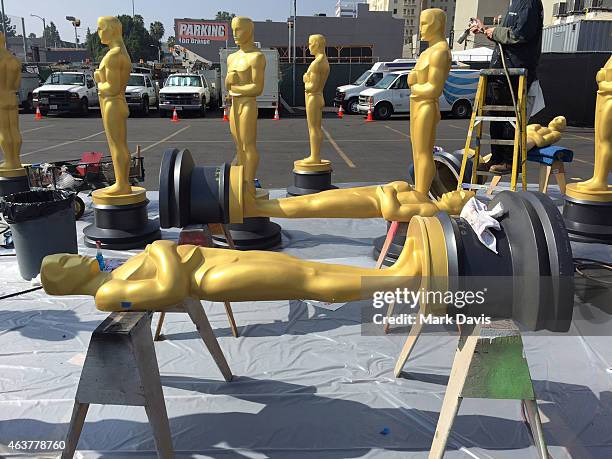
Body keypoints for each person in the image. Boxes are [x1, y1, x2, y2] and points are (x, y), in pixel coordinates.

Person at [471, 0, 544, 174]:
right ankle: (497, 158)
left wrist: (494, 31)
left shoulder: (528, 3)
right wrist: (485, 29)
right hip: (502, 70)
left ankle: (509, 161)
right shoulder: (516, 3)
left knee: (509, 117)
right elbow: (507, 34)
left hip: (513, 70)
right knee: (496, 116)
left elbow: (520, 34)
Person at [408, 8, 452, 195]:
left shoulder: (439, 52)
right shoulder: (428, 52)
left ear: (438, 24)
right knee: (417, 152)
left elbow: (434, 88)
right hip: (418, 104)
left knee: (423, 152)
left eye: (425, 23)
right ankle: (421, 190)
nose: (421, 27)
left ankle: (422, 193)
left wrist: (413, 85)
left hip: (425, 105)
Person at [226, 17, 265, 195]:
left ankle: (249, 182)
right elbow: (228, 84)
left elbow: (257, 87)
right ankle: (241, 179)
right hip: (235, 105)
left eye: (239, 29)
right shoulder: (231, 57)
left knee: (248, 145)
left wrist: (234, 87)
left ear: (249, 30)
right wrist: (229, 82)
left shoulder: (256, 57)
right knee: (238, 145)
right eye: (233, 29)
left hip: (247, 104)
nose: (235, 33)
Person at [94, 16, 134, 196]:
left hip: (112, 102)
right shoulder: (121, 54)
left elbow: (112, 87)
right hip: (115, 102)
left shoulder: (113, 56)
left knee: (117, 145)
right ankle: (121, 182)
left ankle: (122, 183)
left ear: (112, 30)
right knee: (118, 144)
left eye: (101, 28)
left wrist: (98, 81)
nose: (98, 32)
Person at [577, 55, 611, 192]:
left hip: (609, 100)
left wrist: (603, 82)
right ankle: (597, 176)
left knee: (605, 141)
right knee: (599, 142)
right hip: (604, 99)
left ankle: (600, 179)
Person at [302, 34, 330, 165]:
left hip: (313, 97)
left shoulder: (316, 64)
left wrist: (305, 80)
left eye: (310, 44)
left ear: (317, 45)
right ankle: (315, 155)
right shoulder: (324, 61)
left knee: (313, 128)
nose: (308, 47)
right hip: (318, 96)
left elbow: (312, 87)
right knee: (316, 128)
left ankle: (314, 156)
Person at [0, 32, 23, 171]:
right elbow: (16, 84)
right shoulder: (14, 60)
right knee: (14, 129)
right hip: (11, 96)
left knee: (4, 131)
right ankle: (16, 159)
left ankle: (9, 160)